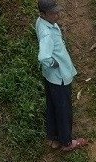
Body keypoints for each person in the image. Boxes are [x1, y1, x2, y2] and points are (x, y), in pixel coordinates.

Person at [34, 1, 87, 152]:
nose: (57, 15)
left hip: (50, 77)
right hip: (59, 77)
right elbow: (44, 57)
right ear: (43, 14)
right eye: (53, 13)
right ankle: (67, 142)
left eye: (57, 12)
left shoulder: (41, 22)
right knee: (64, 109)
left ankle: (54, 138)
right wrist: (54, 63)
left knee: (52, 106)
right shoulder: (47, 33)